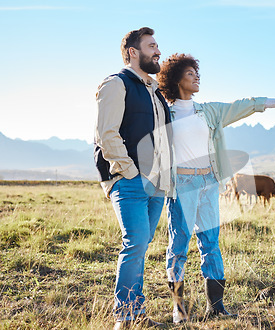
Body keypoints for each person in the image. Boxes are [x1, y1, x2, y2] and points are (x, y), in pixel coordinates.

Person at [156, 53, 275, 323]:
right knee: (179, 245)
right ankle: (179, 310)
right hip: (181, 185)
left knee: (211, 244)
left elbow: (244, 105)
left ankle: (217, 307)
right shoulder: (163, 112)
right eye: (190, 73)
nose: (196, 77)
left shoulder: (209, 111)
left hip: (208, 183)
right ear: (176, 78)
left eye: (196, 72)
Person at [94, 27, 171, 329]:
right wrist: (130, 171)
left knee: (141, 245)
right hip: (130, 180)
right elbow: (106, 134)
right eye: (152, 46)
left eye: (157, 46)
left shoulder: (155, 92)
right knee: (135, 242)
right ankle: (125, 317)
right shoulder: (116, 84)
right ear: (132, 52)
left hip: (157, 182)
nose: (158, 52)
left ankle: (136, 314)